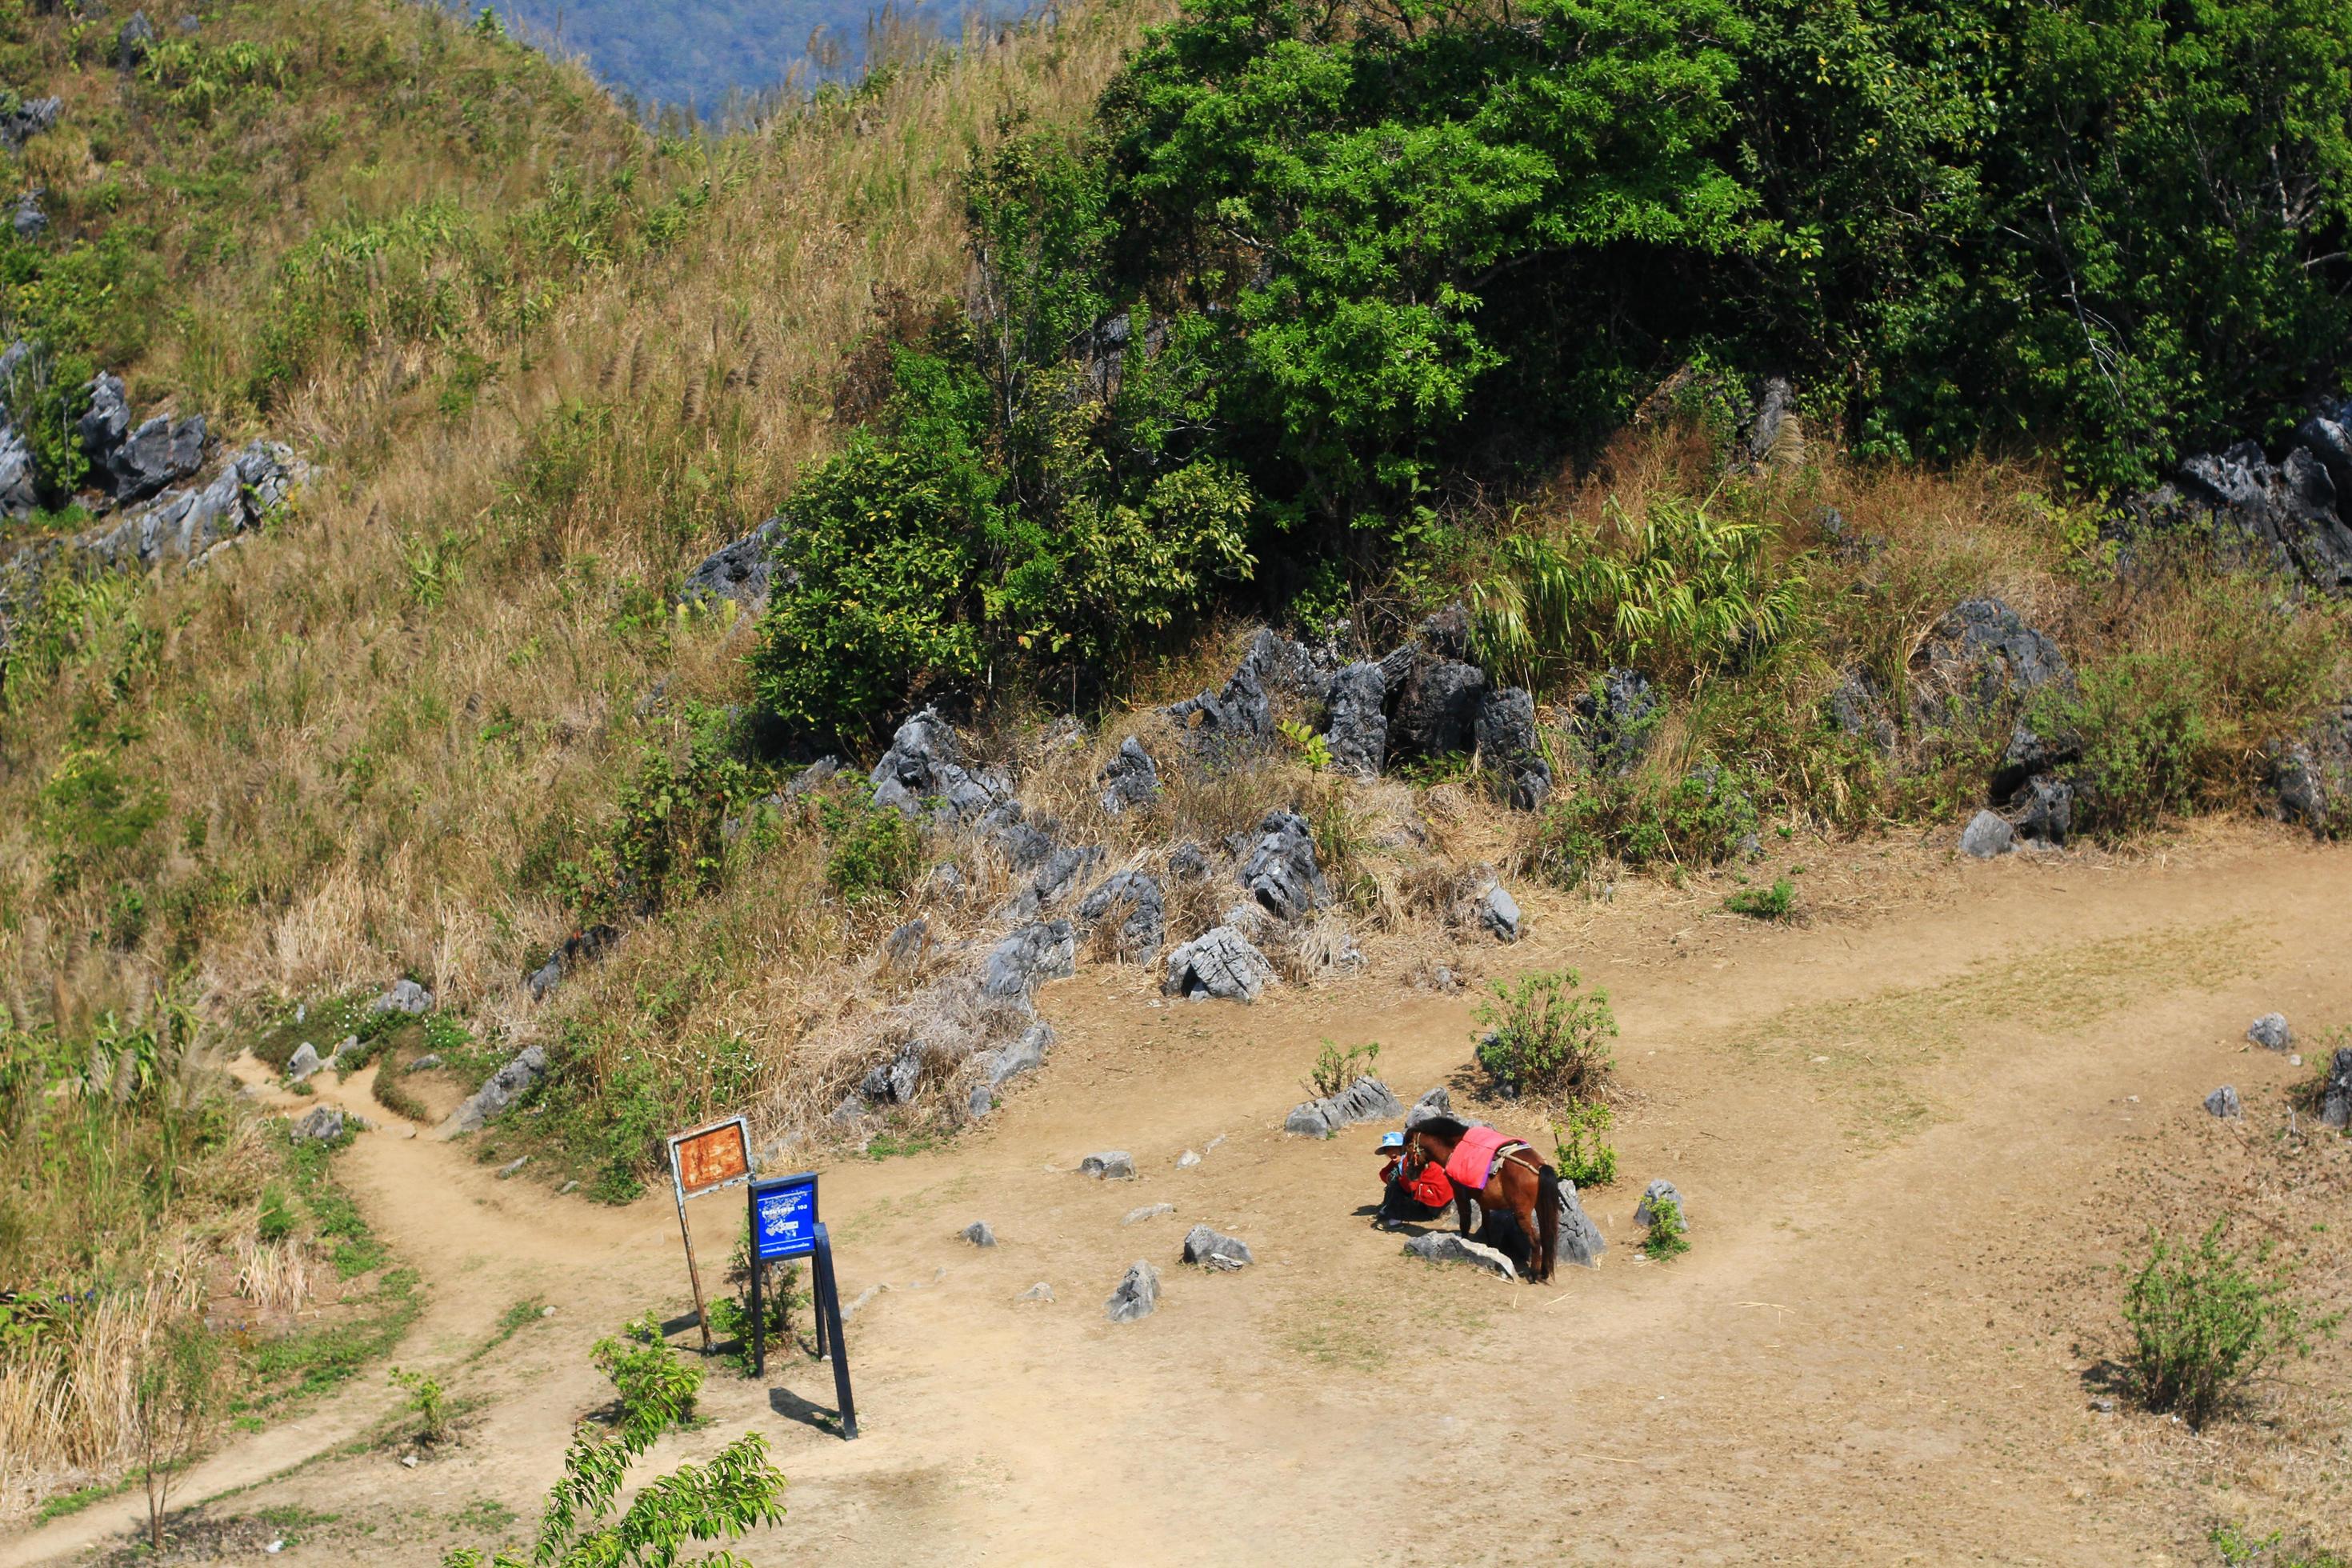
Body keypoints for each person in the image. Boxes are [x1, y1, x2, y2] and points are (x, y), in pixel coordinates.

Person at [1373, 1130, 1454, 1230]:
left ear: (1403, 1148)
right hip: (1434, 1195)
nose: (1391, 1153)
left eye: (1395, 1148)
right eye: (1388, 1150)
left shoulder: (1412, 1158)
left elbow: (1410, 1185)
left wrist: (1397, 1179)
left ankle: (1395, 1219)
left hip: (1435, 1201)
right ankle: (1387, 1211)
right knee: (1395, 1182)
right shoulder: (1406, 1157)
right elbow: (1384, 1173)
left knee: (1396, 1184)